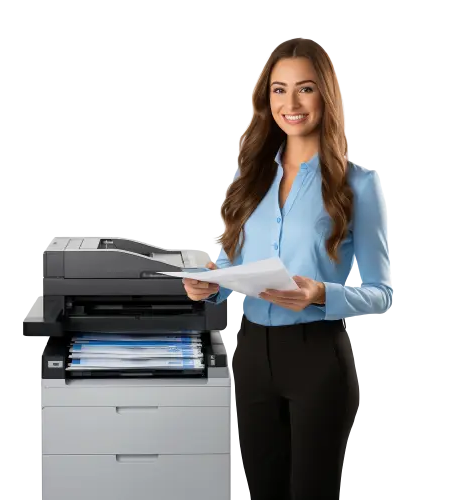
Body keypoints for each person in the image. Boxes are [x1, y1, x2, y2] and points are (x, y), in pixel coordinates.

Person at [183, 36, 392, 500]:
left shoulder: (357, 185)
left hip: (317, 356)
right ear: (265, 99)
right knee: (261, 490)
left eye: (305, 88)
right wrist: (209, 285)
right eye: (279, 90)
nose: (291, 103)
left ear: (326, 96)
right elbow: (235, 266)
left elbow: (382, 293)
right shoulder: (249, 179)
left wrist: (321, 294)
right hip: (253, 352)